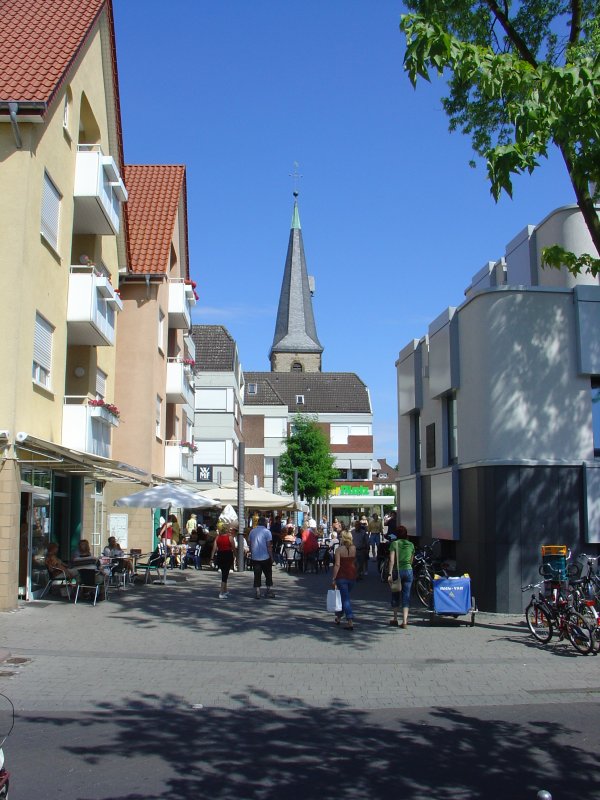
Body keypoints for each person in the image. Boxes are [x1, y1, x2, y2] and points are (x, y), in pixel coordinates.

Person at [387, 525, 415, 629]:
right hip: (408, 570)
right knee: (406, 595)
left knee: (395, 593)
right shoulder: (411, 544)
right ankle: (405, 620)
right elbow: (412, 560)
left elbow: (392, 560)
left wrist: (389, 573)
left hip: (396, 571)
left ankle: (395, 618)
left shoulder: (394, 544)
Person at [331, 530, 357, 630]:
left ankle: (350, 620)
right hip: (352, 575)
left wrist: (333, 578)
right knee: (344, 597)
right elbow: (354, 561)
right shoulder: (354, 548)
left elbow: (337, 564)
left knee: (345, 598)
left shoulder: (339, 550)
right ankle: (338, 617)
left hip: (342, 576)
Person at [249, 516, 275, 599]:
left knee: (257, 574)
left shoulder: (252, 531)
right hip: (265, 556)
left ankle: (257, 591)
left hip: (255, 556)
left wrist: (252, 551)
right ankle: (269, 590)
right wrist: (271, 557)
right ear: (265, 523)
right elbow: (269, 546)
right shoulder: (267, 532)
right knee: (268, 574)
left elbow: (249, 543)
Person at [211, 526, 236, 599]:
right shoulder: (230, 537)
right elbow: (233, 548)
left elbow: (214, 548)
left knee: (224, 572)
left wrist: (212, 558)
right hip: (228, 554)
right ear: (227, 530)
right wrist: (236, 556)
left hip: (220, 555)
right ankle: (221, 592)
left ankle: (225, 590)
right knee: (225, 574)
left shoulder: (217, 538)